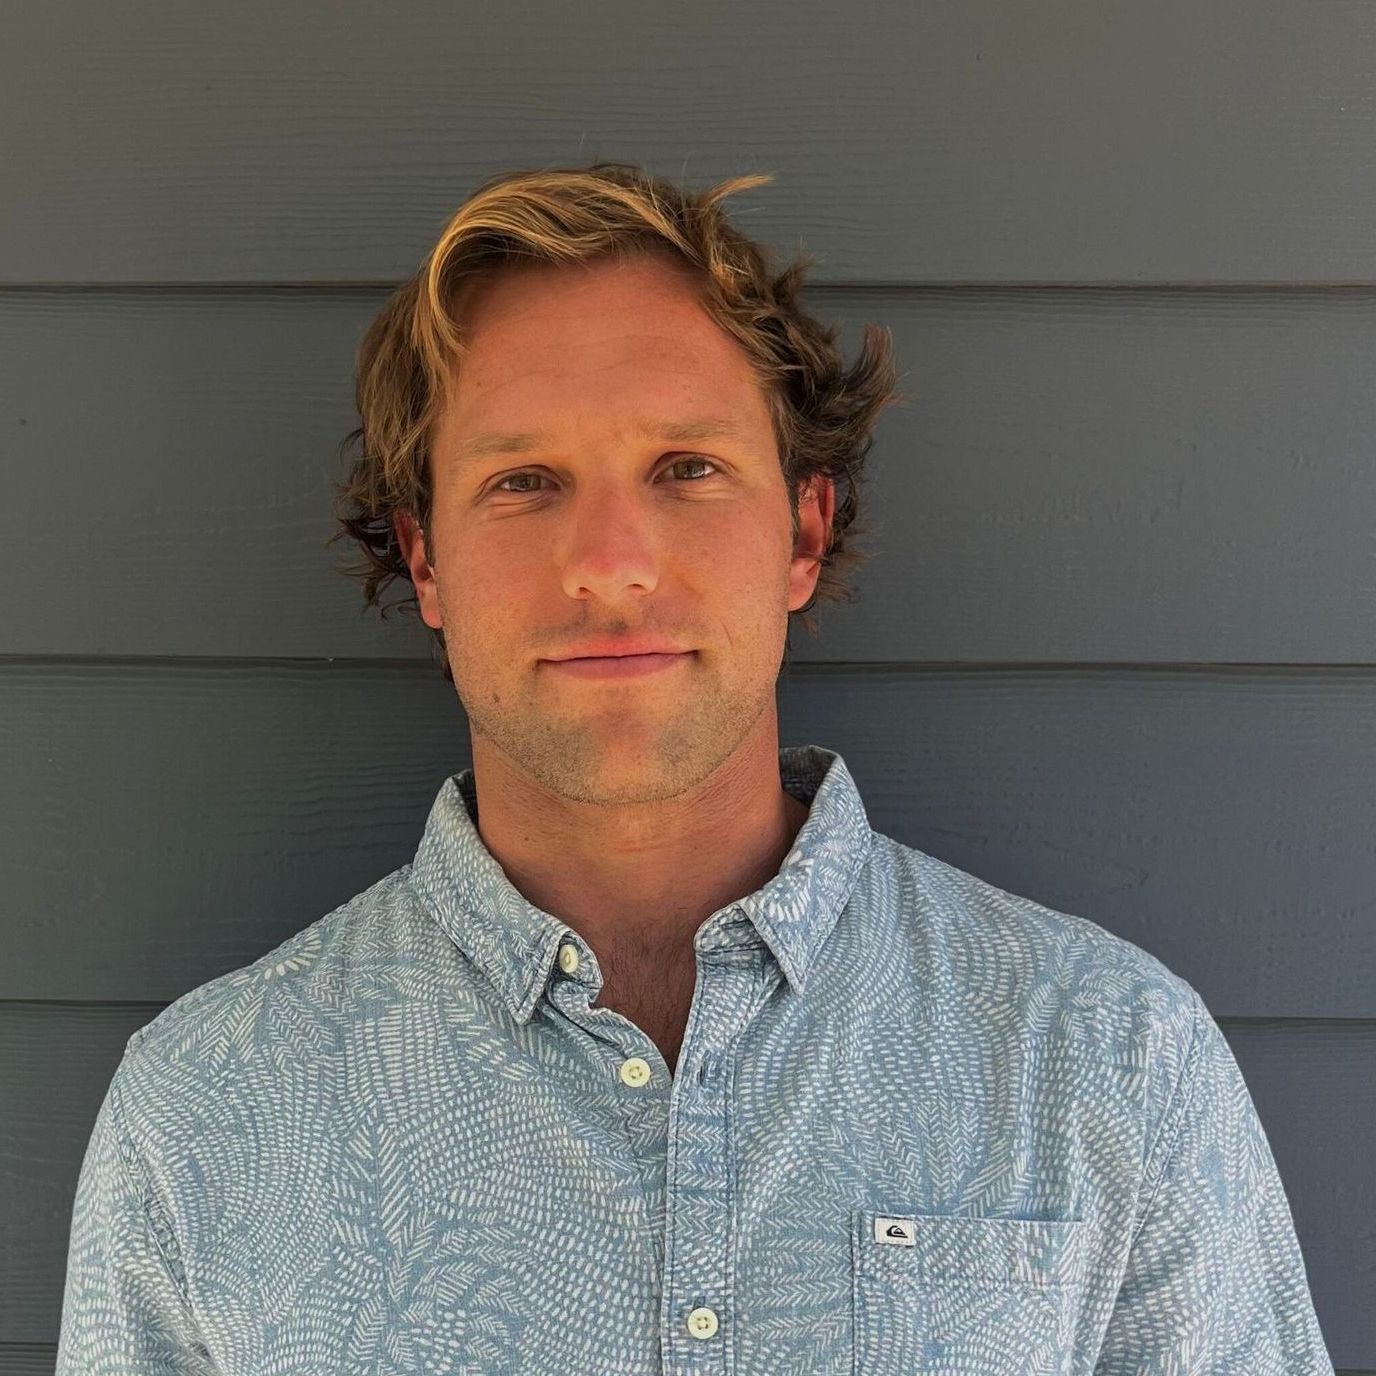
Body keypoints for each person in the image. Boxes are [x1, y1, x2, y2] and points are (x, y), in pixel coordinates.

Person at [56, 161, 1334, 1374]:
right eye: (522, 478)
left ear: (802, 528)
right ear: (426, 558)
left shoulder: (1104, 1058)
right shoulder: (208, 1113)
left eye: (685, 467)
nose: (610, 559)